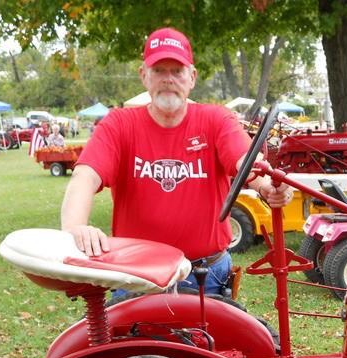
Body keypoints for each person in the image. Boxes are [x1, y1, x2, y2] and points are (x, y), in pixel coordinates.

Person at [60, 27, 292, 296]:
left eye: (177, 71)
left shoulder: (215, 120)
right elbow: (84, 177)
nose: (168, 79)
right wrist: (75, 229)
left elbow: (246, 161)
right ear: (143, 75)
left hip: (206, 275)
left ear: (191, 77)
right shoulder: (119, 124)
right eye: (159, 70)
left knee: (227, 338)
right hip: (136, 276)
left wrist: (267, 186)